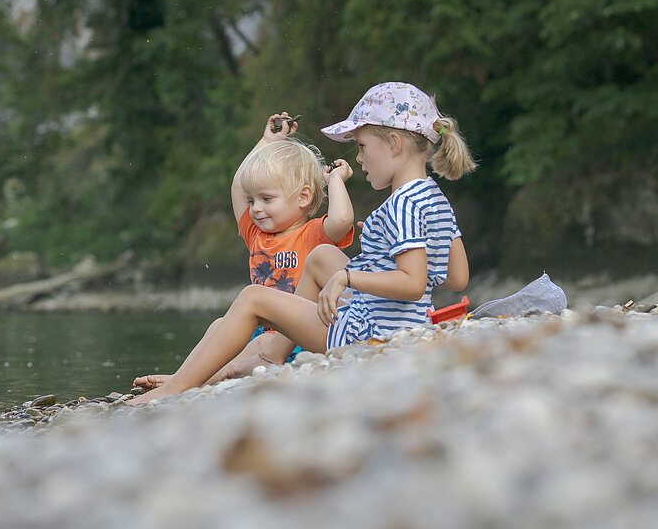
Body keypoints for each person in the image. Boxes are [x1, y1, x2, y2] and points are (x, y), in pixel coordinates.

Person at [129, 82, 475, 403]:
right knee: (323, 255)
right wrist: (381, 255)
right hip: (402, 323)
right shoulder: (433, 197)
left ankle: (177, 387)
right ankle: (270, 355)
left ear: (394, 145)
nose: (359, 157)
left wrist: (348, 278)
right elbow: (456, 278)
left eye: (362, 146)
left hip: (371, 333)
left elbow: (413, 284)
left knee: (252, 297)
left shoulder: (402, 203)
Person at [132, 112, 358, 390]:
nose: (256, 208)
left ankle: (189, 382)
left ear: (303, 197)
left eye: (266, 198)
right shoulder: (256, 234)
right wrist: (266, 141)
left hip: (297, 337)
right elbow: (238, 187)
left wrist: (335, 180)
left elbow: (342, 220)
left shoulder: (314, 232)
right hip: (262, 332)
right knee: (218, 325)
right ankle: (185, 376)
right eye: (252, 201)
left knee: (263, 342)